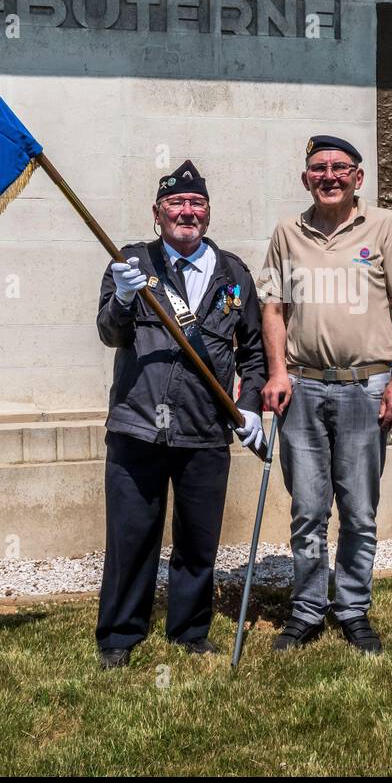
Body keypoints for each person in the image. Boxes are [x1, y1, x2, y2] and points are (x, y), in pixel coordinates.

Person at [94, 160, 266, 670]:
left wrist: (250, 406)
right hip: (138, 425)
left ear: (208, 214)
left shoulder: (234, 273)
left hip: (204, 427)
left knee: (198, 538)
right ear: (157, 213)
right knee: (131, 536)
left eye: (196, 204)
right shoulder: (129, 262)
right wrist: (124, 297)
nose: (186, 212)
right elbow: (109, 332)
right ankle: (121, 636)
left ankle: (190, 630)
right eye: (176, 203)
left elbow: (254, 352)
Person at [258, 135, 392, 655]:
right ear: (306, 178)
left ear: (358, 176)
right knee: (308, 509)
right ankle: (307, 608)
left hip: (365, 387)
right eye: (318, 169)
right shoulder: (288, 232)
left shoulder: (384, 226)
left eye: (339, 168)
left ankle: (352, 608)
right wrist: (277, 373)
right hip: (303, 388)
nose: (328, 176)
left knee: (358, 510)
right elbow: (273, 308)